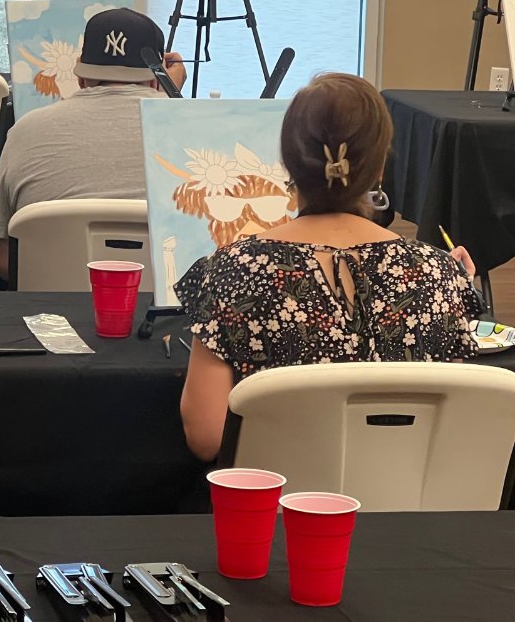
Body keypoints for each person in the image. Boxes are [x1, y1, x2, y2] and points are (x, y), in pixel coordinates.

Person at [175, 73, 482, 461]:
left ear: (288, 163)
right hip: (406, 497)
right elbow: (452, 426)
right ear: (379, 169)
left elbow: (207, 437)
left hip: (280, 497)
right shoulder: (439, 275)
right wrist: (452, 287)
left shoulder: (231, 272)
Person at [0, 8, 186, 280]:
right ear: (155, 78)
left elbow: (6, 262)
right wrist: (171, 100)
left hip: (50, 303)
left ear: (80, 77)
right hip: (172, 303)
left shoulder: (25, 130)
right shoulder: (201, 131)